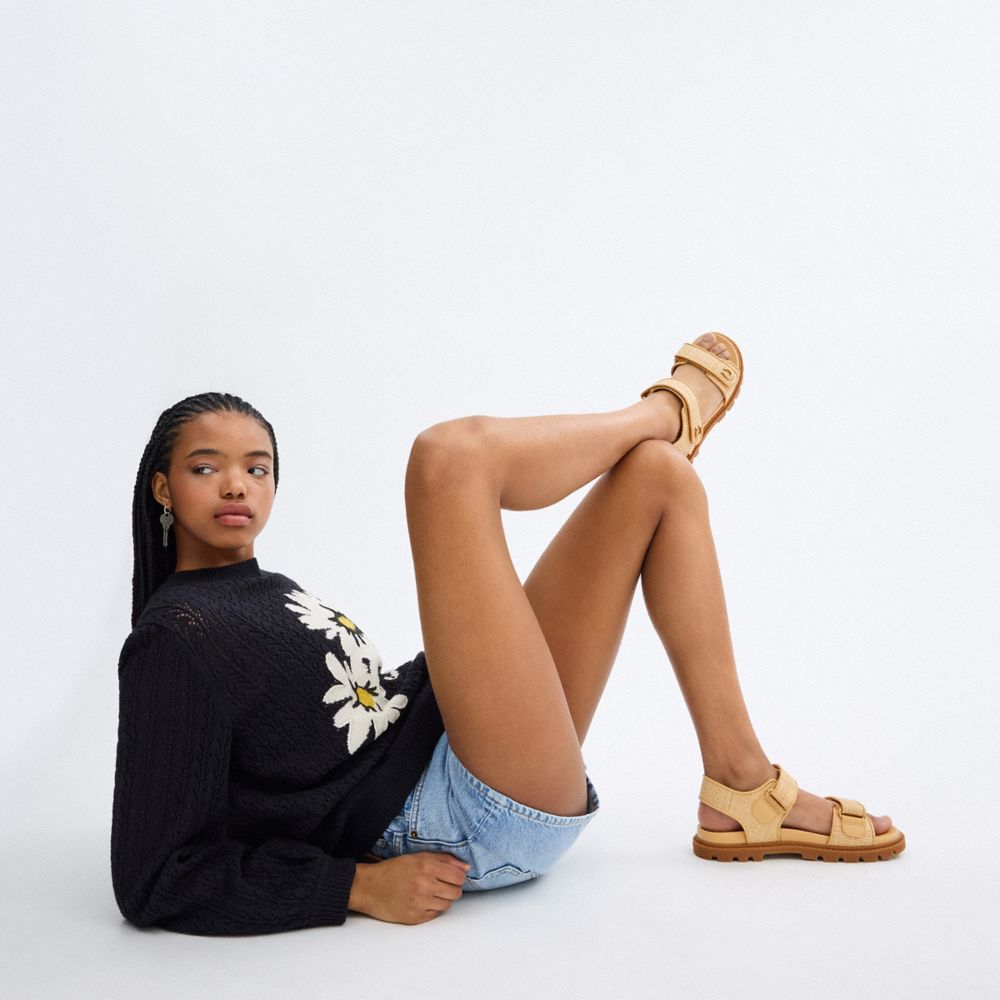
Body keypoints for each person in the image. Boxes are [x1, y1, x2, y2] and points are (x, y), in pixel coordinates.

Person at [110, 332, 905, 937]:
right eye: (207, 468)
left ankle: (741, 785)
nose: (237, 485)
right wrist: (354, 887)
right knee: (447, 460)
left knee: (658, 477)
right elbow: (151, 878)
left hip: (447, 739)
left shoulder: (256, 590)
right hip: (455, 816)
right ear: (163, 488)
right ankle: (666, 412)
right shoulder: (174, 638)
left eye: (257, 467)